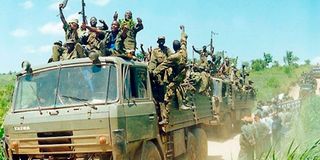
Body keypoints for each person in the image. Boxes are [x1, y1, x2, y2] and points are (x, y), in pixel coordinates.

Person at [152, 25, 189, 125]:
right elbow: (184, 40)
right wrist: (183, 31)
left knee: (167, 97)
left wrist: (154, 72)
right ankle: (182, 102)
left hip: (177, 77)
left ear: (173, 47)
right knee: (177, 87)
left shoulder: (174, 57)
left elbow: (163, 65)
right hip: (182, 75)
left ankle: (166, 119)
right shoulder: (184, 51)